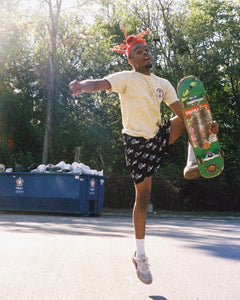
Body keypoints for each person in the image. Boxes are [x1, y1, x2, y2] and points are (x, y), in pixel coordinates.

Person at [69, 25, 218, 284]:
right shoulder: (126, 77)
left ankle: (194, 159)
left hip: (158, 135)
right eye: (139, 51)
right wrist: (82, 85)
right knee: (143, 196)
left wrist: (205, 124)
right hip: (136, 143)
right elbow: (101, 83)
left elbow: (183, 112)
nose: (145, 53)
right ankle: (140, 256)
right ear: (131, 59)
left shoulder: (163, 83)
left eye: (147, 50)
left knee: (188, 116)